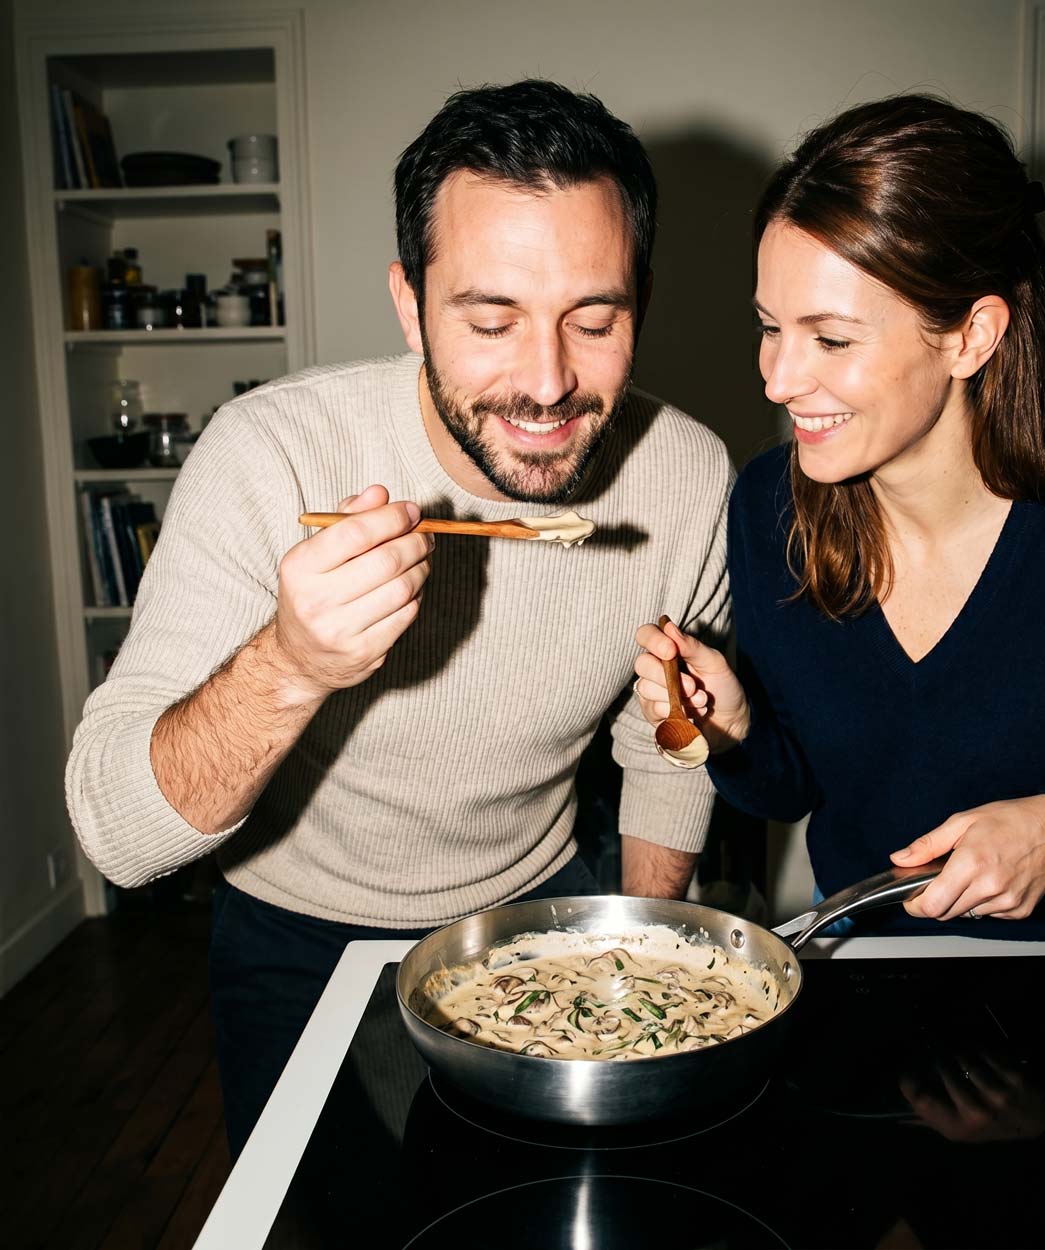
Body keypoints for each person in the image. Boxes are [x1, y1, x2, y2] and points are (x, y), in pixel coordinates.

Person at [66, 79, 734, 1154]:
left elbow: (667, 744)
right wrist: (288, 662)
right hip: (294, 944)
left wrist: (640, 947)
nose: (548, 382)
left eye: (595, 319)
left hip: (539, 918)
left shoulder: (691, 480)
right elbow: (120, 837)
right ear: (407, 301)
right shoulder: (267, 451)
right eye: (488, 318)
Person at [632, 94, 1045, 940]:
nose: (777, 380)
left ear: (971, 336)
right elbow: (794, 789)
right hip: (866, 972)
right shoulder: (771, 506)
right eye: (770, 327)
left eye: (833, 340)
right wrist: (735, 733)